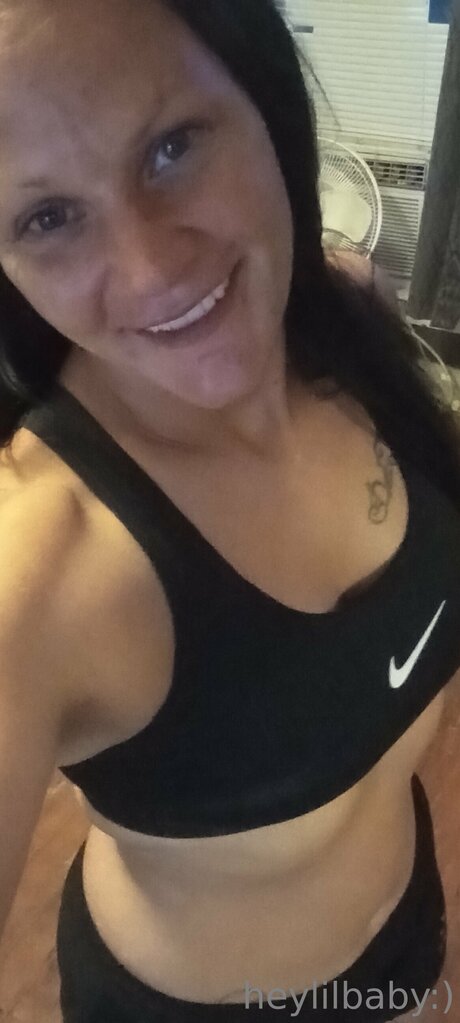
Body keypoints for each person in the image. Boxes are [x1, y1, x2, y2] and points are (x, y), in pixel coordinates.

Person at [0, 0, 459, 1020]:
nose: (151, 269)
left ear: (264, 99)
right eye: (47, 217)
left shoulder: (339, 318)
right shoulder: (36, 562)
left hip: (406, 933)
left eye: (170, 147)